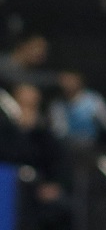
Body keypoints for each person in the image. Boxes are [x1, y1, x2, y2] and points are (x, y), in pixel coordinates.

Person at [0, 83, 73, 230]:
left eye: (32, 106)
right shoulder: (4, 132)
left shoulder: (45, 136)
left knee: (58, 209)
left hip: (37, 190)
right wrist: (20, 131)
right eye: (23, 104)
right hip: (8, 187)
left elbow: (58, 164)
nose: (26, 110)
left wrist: (54, 185)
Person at [48, 70, 106, 148]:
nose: (67, 84)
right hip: (68, 147)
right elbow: (58, 131)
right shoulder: (57, 105)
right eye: (64, 81)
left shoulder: (93, 99)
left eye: (70, 80)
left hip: (94, 145)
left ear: (79, 80)